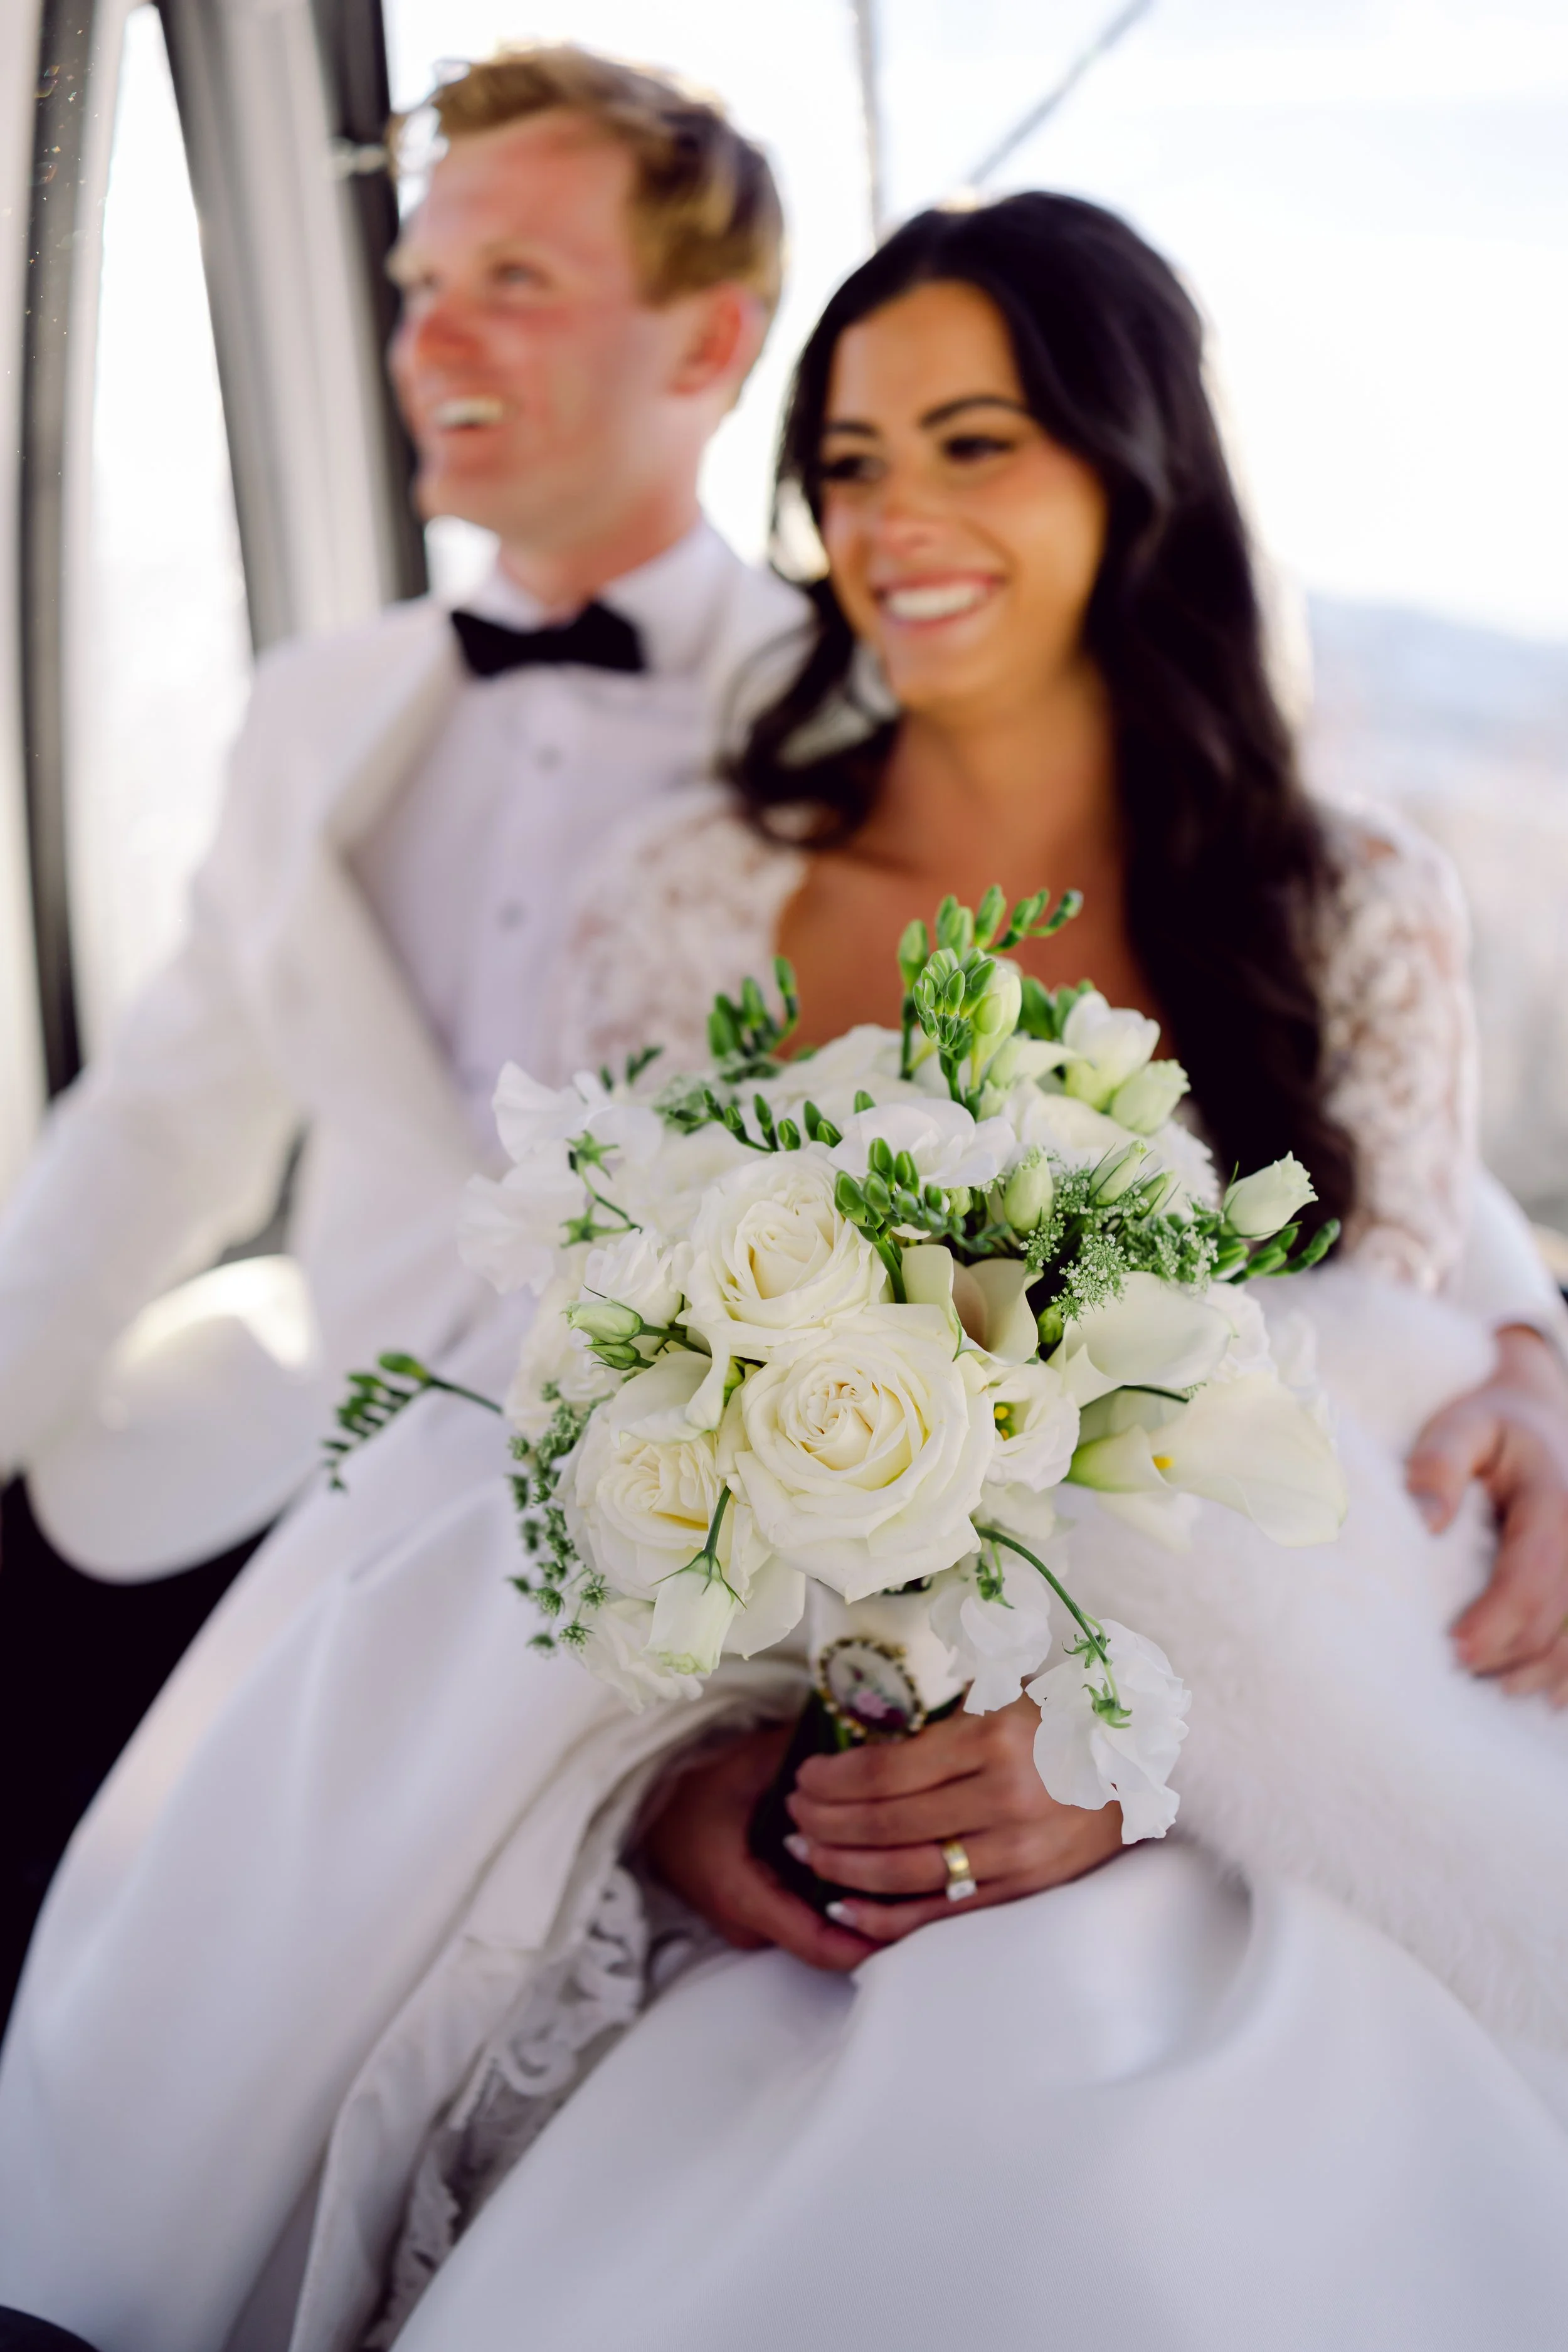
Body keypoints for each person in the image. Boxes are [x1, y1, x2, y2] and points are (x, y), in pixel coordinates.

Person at [7, 188, 1568, 2352]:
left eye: (972, 442)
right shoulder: (690, 892)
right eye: (845, 461)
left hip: (1224, 1785)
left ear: (1136, 475)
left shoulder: (1345, 898)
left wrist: (1134, 1750)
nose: (893, 517)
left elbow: (1376, 1411)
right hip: (775, 1762)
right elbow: (578, 1376)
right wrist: (673, 1800)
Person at [0, 45, 805, 2015]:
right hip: (269, 1456)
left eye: (512, 281)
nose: (430, 331)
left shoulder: (868, 728)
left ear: (707, 342)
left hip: (642, 1589)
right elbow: (162, 1120)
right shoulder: (311, 705)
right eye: (416, 281)